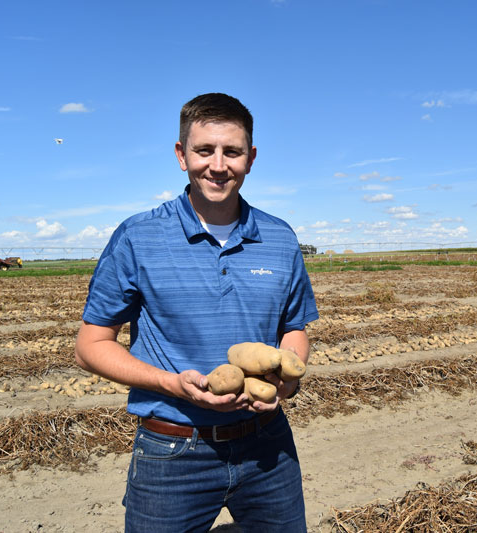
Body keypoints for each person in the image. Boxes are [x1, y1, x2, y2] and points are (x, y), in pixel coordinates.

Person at [74, 92, 319, 533]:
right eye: (204, 150)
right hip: (172, 451)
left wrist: (288, 376)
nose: (219, 165)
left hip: (267, 444)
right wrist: (173, 384)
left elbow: (294, 327)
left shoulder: (281, 239)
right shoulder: (138, 237)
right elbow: (90, 346)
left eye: (233, 151)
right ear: (181, 155)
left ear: (252, 157)